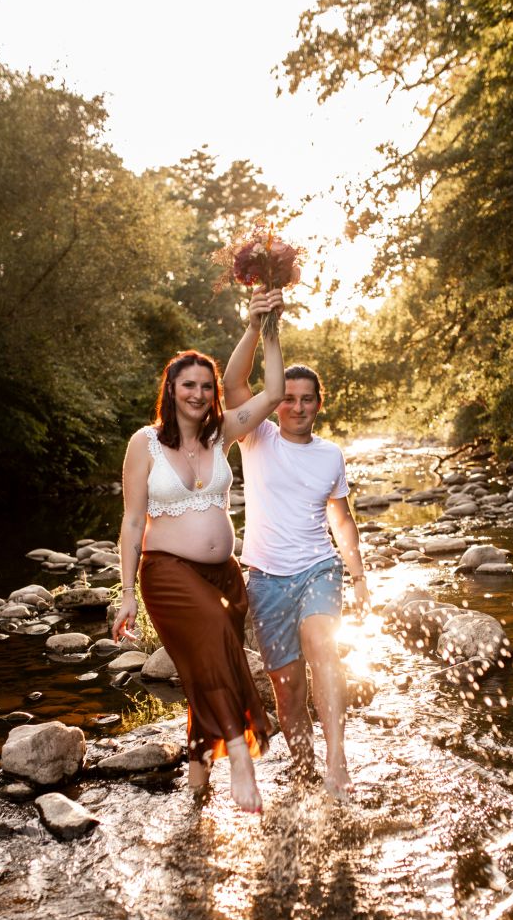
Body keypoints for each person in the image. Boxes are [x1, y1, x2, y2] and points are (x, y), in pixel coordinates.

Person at [112, 288, 285, 814]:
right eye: (189, 384)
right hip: (165, 573)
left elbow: (274, 391)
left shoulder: (221, 435)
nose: (199, 393)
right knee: (212, 639)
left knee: (205, 671)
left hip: (224, 575)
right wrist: (125, 596)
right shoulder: (144, 444)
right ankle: (238, 753)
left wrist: (262, 324)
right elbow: (133, 520)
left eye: (207, 386)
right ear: (171, 387)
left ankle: (195, 781)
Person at [223, 317, 371, 799]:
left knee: (321, 644)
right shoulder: (257, 436)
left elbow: (342, 520)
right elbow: (232, 384)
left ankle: (336, 760)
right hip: (265, 579)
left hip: (318, 568)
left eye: (308, 399)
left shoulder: (331, 455)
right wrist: (261, 329)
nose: (298, 406)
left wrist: (360, 576)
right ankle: (306, 769)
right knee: (287, 688)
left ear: (318, 404)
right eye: (289, 397)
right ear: (276, 401)